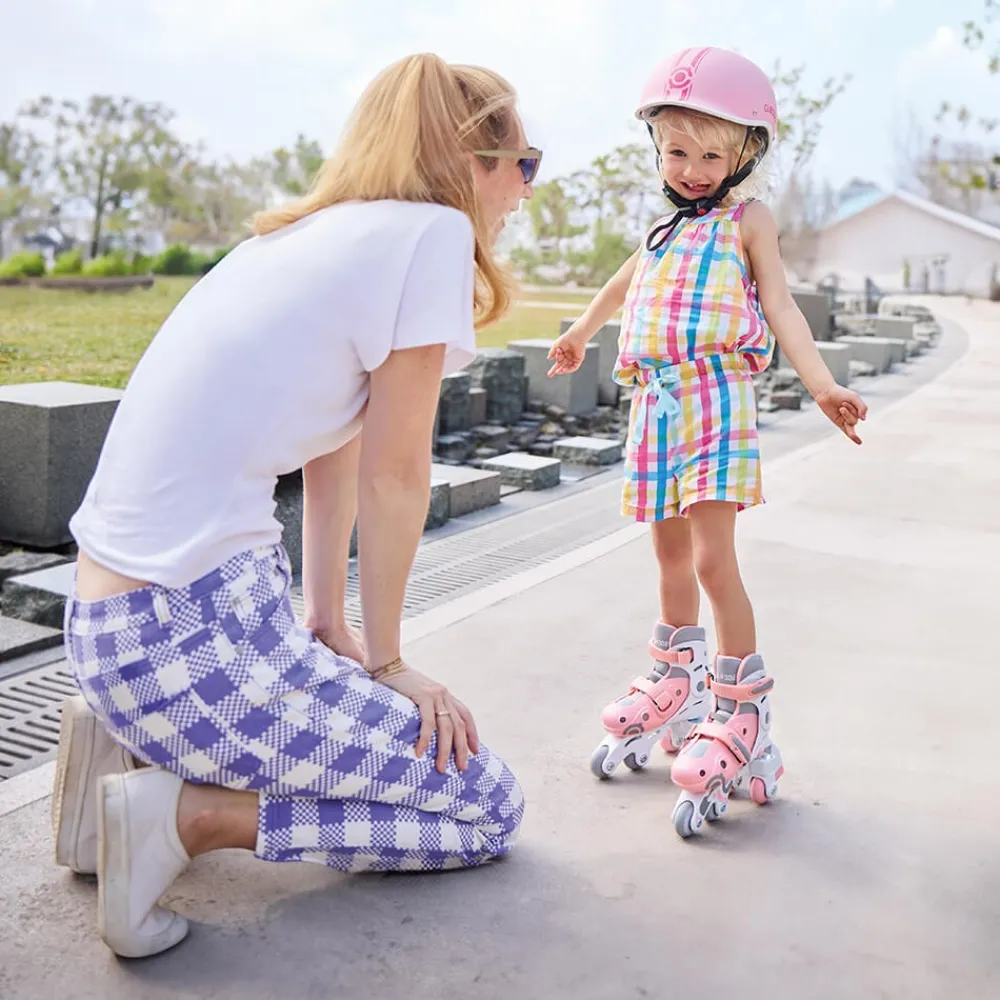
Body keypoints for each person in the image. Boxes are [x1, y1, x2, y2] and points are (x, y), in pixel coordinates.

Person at [51, 53, 541, 958]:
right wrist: (390, 663)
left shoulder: (297, 240)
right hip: (193, 640)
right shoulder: (430, 235)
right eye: (523, 163)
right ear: (467, 161)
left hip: (107, 634)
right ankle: (183, 817)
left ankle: (112, 761)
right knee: (482, 804)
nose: (524, 191)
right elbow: (397, 476)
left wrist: (326, 619)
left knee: (380, 735)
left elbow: (334, 463)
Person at [546, 47, 867, 838]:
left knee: (714, 559)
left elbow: (783, 309)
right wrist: (582, 331)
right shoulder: (659, 227)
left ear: (744, 155)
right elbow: (625, 282)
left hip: (715, 398)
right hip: (653, 404)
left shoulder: (746, 220)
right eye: (677, 151)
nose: (692, 168)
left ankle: (740, 706)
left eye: (711, 154)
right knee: (666, 557)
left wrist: (822, 383)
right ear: (657, 149)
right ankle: (676, 679)